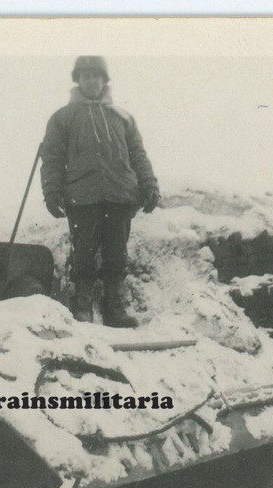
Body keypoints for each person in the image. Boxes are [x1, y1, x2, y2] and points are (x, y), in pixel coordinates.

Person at [40, 56, 161, 327]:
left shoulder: (122, 117)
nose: (91, 81)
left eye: (96, 76)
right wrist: (51, 191)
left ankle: (114, 309)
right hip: (82, 196)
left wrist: (149, 185)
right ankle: (82, 306)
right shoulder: (63, 118)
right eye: (86, 76)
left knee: (117, 254)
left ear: (104, 81)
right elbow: (52, 158)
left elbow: (138, 155)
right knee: (83, 253)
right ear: (78, 80)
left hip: (120, 194)